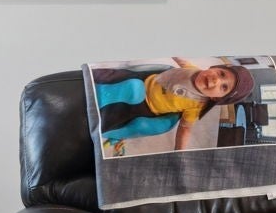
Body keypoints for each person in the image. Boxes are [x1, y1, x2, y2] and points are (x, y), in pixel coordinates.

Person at [91, 59, 255, 150]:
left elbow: (185, 129)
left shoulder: (196, 105)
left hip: (146, 108)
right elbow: (180, 58)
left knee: (131, 95)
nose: (216, 80)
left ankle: (108, 127)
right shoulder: (190, 69)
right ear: (214, 67)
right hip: (146, 81)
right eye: (221, 73)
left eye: (223, 87)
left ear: (215, 98)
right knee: (125, 82)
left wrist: (179, 151)